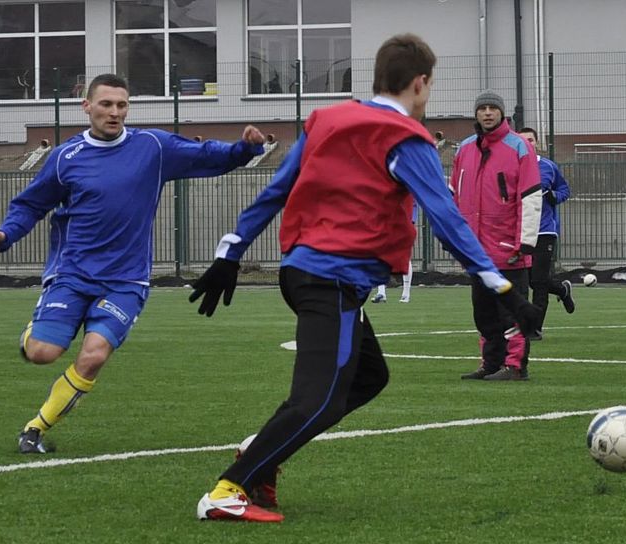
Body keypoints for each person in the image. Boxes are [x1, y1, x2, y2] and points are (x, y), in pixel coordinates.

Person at [188, 34, 539, 523]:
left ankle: (262, 451)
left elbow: (276, 189)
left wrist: (231, 252)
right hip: (332, 278)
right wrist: (502, 287)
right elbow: (445, 217)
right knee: (318, 398)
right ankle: (228, 491)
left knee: (369, 376)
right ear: (420, 83)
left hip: (303, 272)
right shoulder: (405, 138)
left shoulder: (326, 120)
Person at [0, 73, 265, 454]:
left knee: (93, 355)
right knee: (42, 353)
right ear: (87, 107)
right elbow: (32, 203)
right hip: (73, 273)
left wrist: (245, 150)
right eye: (106, 104)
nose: (115, 113)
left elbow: (207, 156)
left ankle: (35, 427)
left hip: (126, 281)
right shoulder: (66, 158)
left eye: (122, 105)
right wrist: (6, 234)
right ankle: (33, 335)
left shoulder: (153, 147)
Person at [451, 90, 542, 381]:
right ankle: (490, 363)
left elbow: (530, 197)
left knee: (510, 312)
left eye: (493, 108)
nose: (487, 113)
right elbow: (454, 196)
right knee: (483, 312)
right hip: (476, 249)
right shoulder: (464, 148)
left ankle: (515, 366)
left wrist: (525, 242)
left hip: (507, 247)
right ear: (476, 114)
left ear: (502, 113)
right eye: (483, 108)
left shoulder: (518, 147)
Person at [518, 127, 574, 339]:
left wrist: (553, 196)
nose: (527, 144)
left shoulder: (549, 167)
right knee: (528, 281)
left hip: (544, 231)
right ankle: (562, 290)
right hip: (519, 231)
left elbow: (565, 190)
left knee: (539, 281)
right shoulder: (511, 167)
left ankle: (534, 328)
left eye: (530, 140)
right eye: (522, 141)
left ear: (537, 143)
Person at [371, 203, 418, 303]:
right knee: (381, 255)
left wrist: (412, 220)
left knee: (404, 256)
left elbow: (414, 203)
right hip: (387, 222)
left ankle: (406, 294)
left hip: (404, 222)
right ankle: (381, 292)